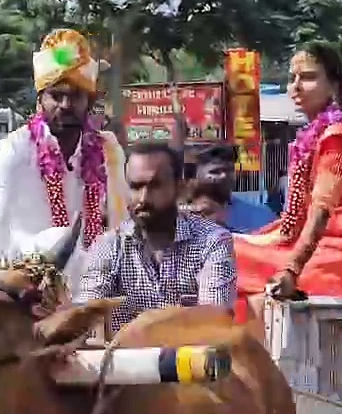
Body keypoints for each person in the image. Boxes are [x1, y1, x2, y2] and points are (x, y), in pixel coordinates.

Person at [0, 28, 130, 290]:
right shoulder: (13, 151)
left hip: (97, 290)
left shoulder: (108, 151)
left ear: (89, 102)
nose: (66, 105)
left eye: (76, 96)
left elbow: (123, 223)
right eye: (56, 95)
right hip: (30, 293)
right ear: (41, 99)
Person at [234, 42, 342, 329]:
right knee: (217, 245)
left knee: (222, 256)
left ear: (335, 86)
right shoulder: (316, 135)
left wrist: (291, 269)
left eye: (308, 77)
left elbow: (321, 212)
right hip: (320, 251)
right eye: (292, 78)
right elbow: (289, 226)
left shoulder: (339, 138)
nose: (295, 87)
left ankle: (241, 355)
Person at [75, 141, 236, 331]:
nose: (143, 198)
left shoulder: (213, 241)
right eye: (136, 187)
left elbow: (215, 318)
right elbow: (86, 313)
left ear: (180, 188)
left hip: (188, 358)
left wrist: (144, 326)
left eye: (155, 186)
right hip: (123, 359)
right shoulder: (108, 245)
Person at [194, 144, 277, 233]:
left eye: (229, 170)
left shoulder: (261, 217)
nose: (224, 176)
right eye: (215, 171)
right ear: (196, 176)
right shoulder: (182, 217)